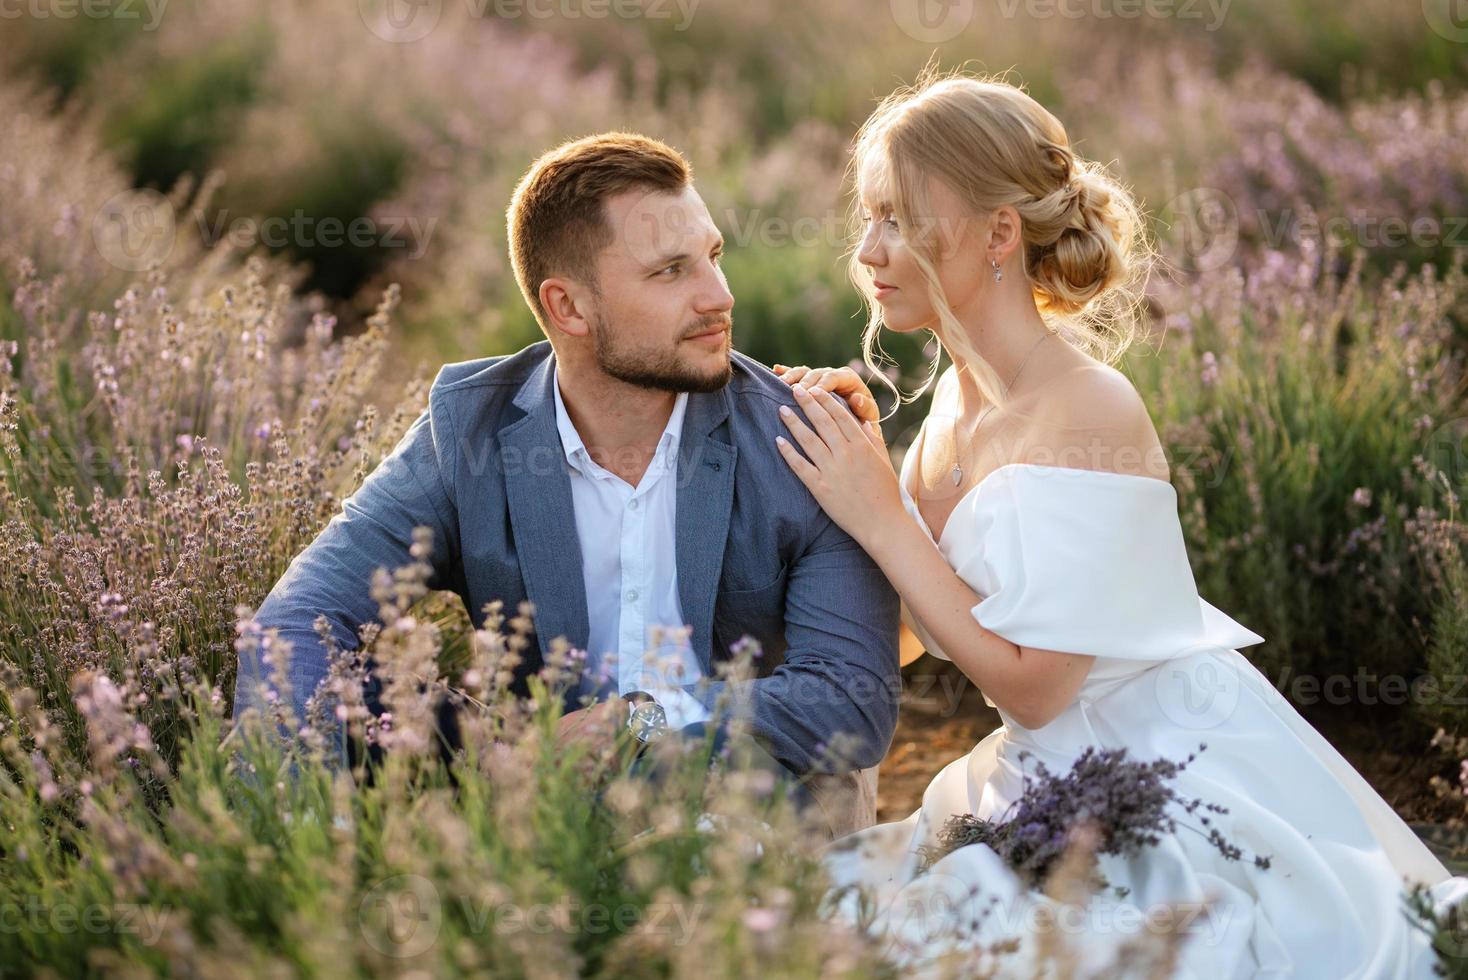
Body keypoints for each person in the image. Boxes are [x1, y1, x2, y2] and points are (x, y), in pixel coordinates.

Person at [772, 71, 1468, 975]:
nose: (868, 249)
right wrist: (863, 477)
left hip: (1165, 769)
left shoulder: (1088, 409)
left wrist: (882, 518)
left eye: (899, 218)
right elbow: (911, 639)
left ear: (999, 233)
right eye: (867, 217)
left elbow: (1036, 688)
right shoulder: (947, 404)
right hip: (1035, 775)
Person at [230, 132, 901, 841]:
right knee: (356, 695)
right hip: (547, 812)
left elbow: (847, 705)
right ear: (569, 308)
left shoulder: (805, 437)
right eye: (671, 271)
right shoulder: (472, 428)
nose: (720, 296)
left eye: (712, 256)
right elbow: (296, 618)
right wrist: (297, 838)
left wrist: (636, 720)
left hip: (748, 817)